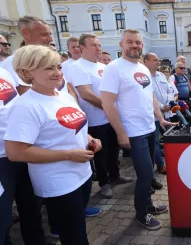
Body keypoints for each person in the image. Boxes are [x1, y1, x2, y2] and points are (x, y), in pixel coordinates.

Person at [4, 45, 102, 245]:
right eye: (48, 68)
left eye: (58, 66)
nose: (57, 72)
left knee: (78, 228)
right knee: (75, 237)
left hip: (81, 175)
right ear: (26, 72)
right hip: (58, 182)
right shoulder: (26, 106)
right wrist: (67, 155)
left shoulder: (63, 95)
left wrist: (90, 138)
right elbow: (15, 152)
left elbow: (74, 126)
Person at [100, 29, 172, 230]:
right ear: (121, 44)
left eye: (138, 43)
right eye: (130, 42)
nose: (135, 46)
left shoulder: (141, 67)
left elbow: (150, 96)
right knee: (145, 175)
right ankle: (142, 214)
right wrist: (121, 132)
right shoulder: (113, 68)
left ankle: (148, 205)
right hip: (134, 131)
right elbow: (107, 103)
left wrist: (160, 118)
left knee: (148, 173)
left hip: (150, 128)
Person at [70, 34, 132, 199]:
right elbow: (86, 94)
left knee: (113, 150)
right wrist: (109, 107)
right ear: (82, 48)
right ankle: (104, 183)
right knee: (100, 153)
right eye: (94, 45)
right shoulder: (78, 67)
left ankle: (115, 176)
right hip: (95, 120)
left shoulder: (103, 67)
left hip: (110, 118)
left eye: (99, 44)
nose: (98, 48)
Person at [0, 67, 47, 245]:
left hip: (22, 150)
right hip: (1, 160)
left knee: (31, 206)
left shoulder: (4, 72)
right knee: (3, 216)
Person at [143, 53, 172, 175]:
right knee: (155, 142)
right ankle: (160, 165)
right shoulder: (144, 77)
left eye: (158, 60)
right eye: (155, 60)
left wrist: (169, 103)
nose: (158, 62)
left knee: (170, 138)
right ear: (146, 61)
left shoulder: (161, 75)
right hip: (154, 115)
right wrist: (160, 107)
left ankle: (172, 161)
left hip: (168, 112)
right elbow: (148, 96)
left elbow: (169, 90)